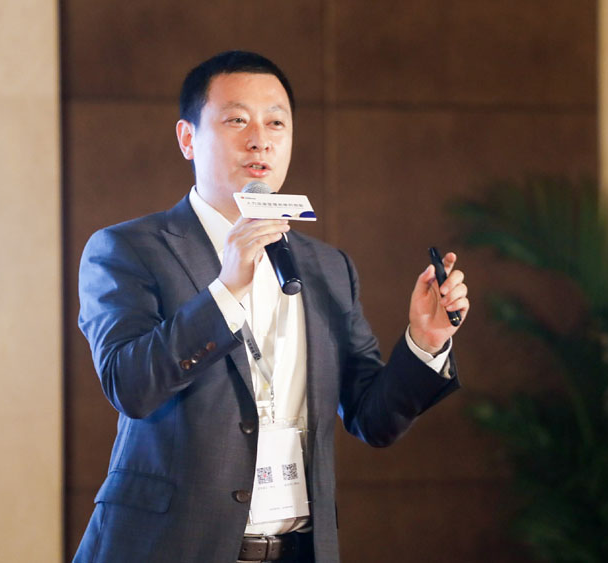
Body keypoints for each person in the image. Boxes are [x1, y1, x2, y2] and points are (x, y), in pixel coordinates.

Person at [73, 50, 470, 563]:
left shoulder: (328, 267)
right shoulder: (127, 249)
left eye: (276, 122)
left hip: (296, 550)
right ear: (188, 138)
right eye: (236, 120)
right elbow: (130, 386)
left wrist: (425, 342)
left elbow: (373, 419)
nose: (259, 139)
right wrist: (226, 289)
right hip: (168, 548)